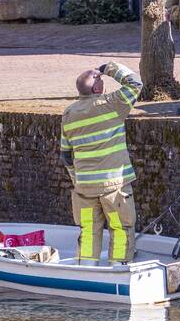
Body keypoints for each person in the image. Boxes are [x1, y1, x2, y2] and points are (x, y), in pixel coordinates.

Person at [60, 61, 143, 265]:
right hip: (113, 186)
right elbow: (135, 83)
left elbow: (66, 155)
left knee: (88, 231)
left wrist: (78, 179)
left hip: (85, 188)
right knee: (120, 228)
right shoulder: (111, 104)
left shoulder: (69, 114)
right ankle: (118, 269)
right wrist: (108, 68)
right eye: (100, 81)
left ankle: (87, 270)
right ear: (97, 88)